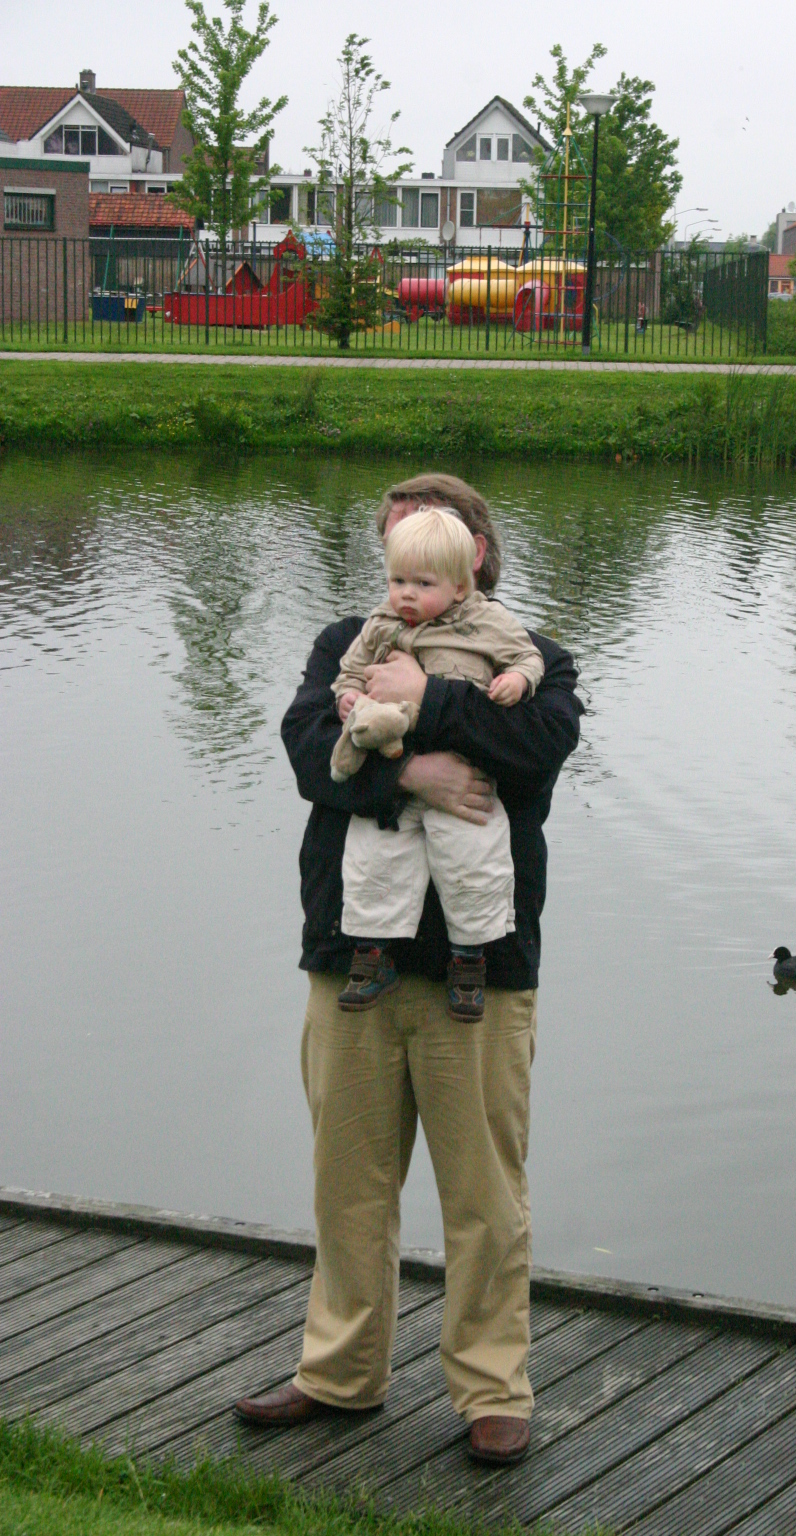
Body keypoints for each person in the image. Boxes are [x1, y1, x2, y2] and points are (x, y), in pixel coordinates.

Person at [234, 473, 583, 1467]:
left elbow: (536, 750)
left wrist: (428, 699)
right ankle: (340, 1374)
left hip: (483, 968)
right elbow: (311, 751)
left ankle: (492, 1390)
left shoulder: (532, 657)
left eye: (425, 548)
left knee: (485, 1195)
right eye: (392, 550)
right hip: (351, 955)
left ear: (474, 555)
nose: (403, 571)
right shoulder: (348, 644)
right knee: (348, 1180)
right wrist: (409, 774)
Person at [330, 507, 545, 1022]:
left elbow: (528, 659)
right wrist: (347, 695)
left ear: (460, 583)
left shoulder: (487, 623)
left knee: (474, 862)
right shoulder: (378, 626)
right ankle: (373, 955)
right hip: (390, 769)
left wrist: (516, 681)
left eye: (422, 584)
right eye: (397, 580)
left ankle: (469, 961)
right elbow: (349, 673)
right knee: (373, 859)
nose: (406, 594)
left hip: (467, 780)